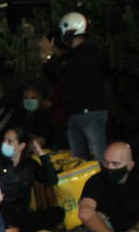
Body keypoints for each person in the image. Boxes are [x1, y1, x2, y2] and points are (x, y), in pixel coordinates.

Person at [42, 11, 106, 161]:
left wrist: (49, 56)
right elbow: (54, 75)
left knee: (96, 158)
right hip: (75, 113)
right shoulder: (74, 56)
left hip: (90, 113)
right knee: (78, 160)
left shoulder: (86, 55)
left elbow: (64, 75)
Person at [0, 127, 64, 232]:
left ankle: (15, 231)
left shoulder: (30, 165)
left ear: (21, 146)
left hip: (21, 214)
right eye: (4, 140)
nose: (5, 144)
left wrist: (41, 153)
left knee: (58, 213)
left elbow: (52, 180)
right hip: (1, 211)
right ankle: (25, 231)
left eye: (10, 141)